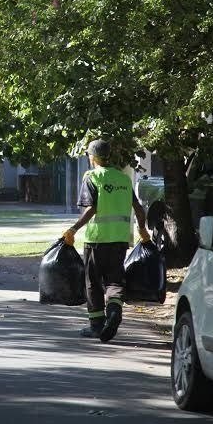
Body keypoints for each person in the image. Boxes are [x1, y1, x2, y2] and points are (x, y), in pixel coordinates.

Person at [62, 139, 150, 342]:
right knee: (114, 280)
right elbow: (138, 208)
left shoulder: (92, 177)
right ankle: (114, 312)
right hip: (120, 240)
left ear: (92, 157)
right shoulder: (124, 179)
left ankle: (96, 325)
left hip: (97, 240)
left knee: (92, 282)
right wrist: (143, 230)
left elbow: (91, 208)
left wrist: (74, 229)